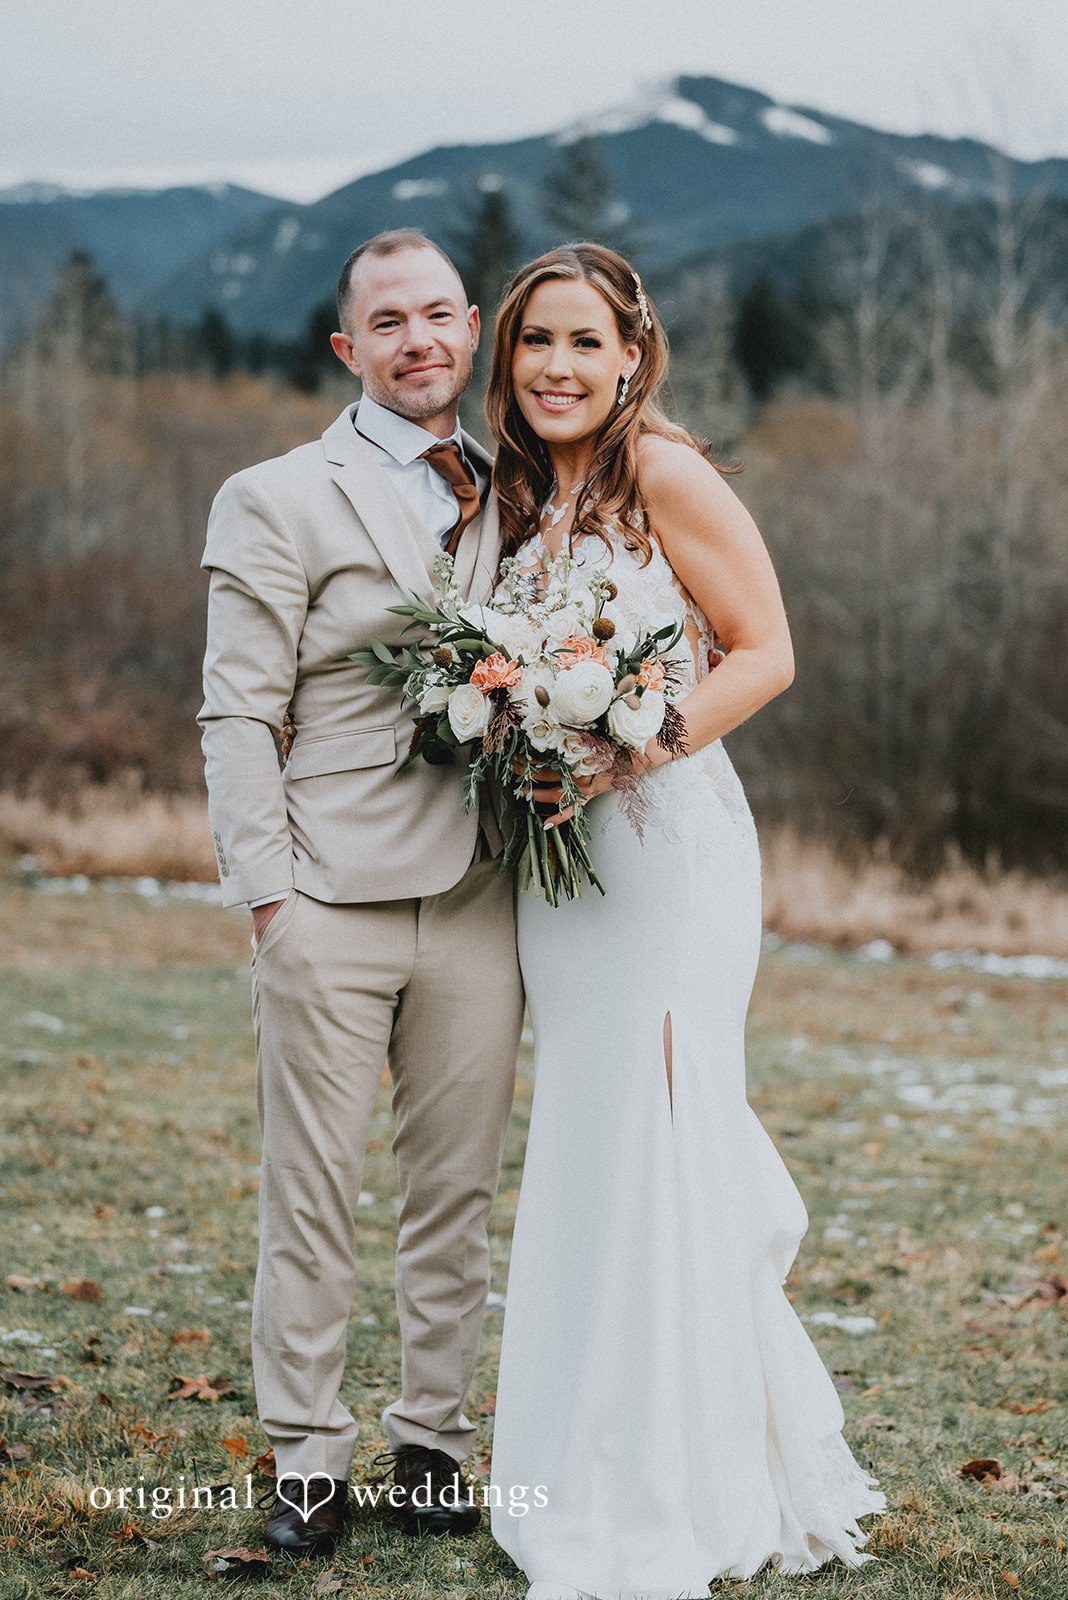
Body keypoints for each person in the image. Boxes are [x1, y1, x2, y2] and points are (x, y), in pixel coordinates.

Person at [482, 244, 887, 1598]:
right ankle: (579, 1453)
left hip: (665, 856)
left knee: (661, 1123)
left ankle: (676, 1474)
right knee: (594, 1137)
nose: (557, 366)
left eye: (584, 342)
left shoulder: (665, 472)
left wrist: (621, 751)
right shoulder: (522, 497)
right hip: (564, 877)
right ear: (507, 356)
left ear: (633, 357)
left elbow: (767, 651)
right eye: (535, 340)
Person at [197, 229, 523, 1556]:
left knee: (456, 1192)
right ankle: (306, 1462)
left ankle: (433, 1446)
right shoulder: (274, 496)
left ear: (473, 327)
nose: (418, 341)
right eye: (388, 322)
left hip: (483, 897)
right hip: (327, 895)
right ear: (349, 347)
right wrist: (268, 900)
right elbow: (236, 712)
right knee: (312, 1190)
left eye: (438, 314)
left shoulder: (523, 489)